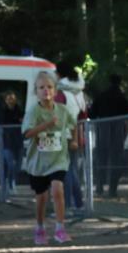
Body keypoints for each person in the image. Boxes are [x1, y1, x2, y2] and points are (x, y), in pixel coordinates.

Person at [22, 71, 78, 245]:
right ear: (36, 92)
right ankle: (40, 228)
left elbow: (74, 124)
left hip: (58, 159)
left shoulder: (62, 110)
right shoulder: (33, 111)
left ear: (55, 90)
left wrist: (74, 140)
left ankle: (60, 229)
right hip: (38, 162)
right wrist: (46, 125)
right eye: (41, 87)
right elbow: (27, 134)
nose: (46, 90)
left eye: (49, 87)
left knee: (57, 189)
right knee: (42, 198)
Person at [91, 73, 128, 197]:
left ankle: (99, 187)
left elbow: (92, 114)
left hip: (103, 128)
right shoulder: (122, 97)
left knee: (101, 158)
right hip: (118, 130)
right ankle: (112, 189)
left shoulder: (101, 96)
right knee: (116, 160)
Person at [55, 61, 87, 212]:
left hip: (64, 135)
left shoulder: (61, 94)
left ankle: (66, 205)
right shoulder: (79, 93)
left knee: (65, 171)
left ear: (60, 75)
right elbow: (83, 116)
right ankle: (78, 203)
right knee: (72, 170)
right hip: (77, 135)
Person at [0, 91, 24, 193]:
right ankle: (9, 183)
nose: (11, 101)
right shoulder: (2, 111)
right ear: (5, 100)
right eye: (9, 99)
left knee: (18, 165)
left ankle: (11, 182)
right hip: (6, 142)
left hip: (18, 141)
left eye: (13, 99)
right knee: (10, 164)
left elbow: (23, 121)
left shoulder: (19, 110)